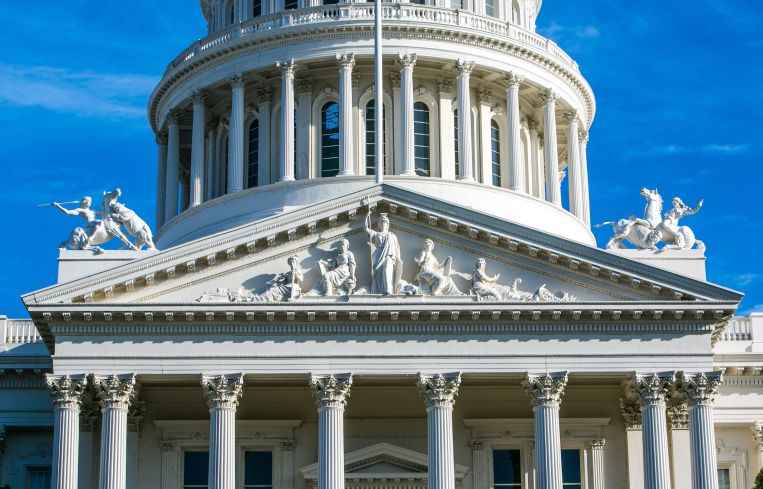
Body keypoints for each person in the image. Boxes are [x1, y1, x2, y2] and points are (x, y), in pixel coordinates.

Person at [365, 212, 402, 295]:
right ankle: (379, 291)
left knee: (386, 270)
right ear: (379, 224)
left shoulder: (392, 235)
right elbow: (366, 228)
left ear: (388, 224)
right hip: (378, 255)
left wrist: (396, 259)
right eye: (381, 222)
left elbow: (396, 248)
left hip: (388, 255)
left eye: (385, 222)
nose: (383, 224)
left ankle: (388, 289)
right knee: (378, 274)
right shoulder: (376, 234)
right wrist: (367, 217)